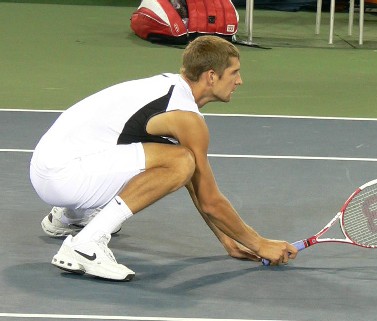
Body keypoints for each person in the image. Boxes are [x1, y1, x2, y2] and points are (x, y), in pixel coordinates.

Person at [30, 35, 298, 281]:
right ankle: (86, 245)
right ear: (212, 76)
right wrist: (259, 243)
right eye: (234, 72)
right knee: (180, 161)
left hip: (51, 166)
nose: (240, 81)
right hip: (63, 176)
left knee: (181, 161)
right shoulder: (187, 119)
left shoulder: (169, 90)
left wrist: (228, 240)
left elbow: (195, 182)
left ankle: (69, 216)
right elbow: (209, 199)